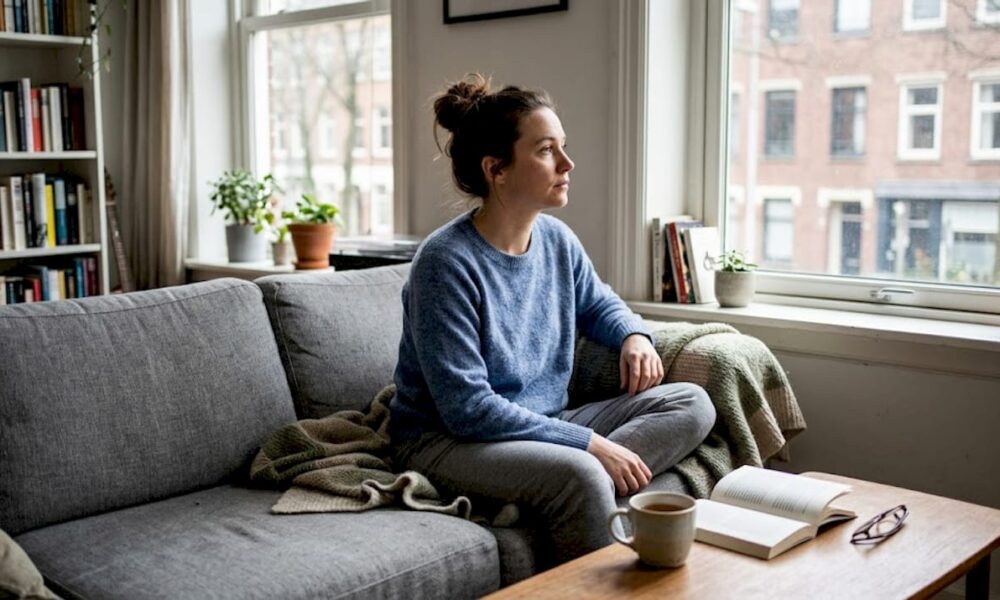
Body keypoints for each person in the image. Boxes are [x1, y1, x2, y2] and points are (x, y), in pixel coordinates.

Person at [389, 73, 716, 564]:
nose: (567, 164)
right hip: (447, 441)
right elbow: (468, 409)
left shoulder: (557, 240)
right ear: (496, 169)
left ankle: (545, 490)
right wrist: (588, 445)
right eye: (546, 151)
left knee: (693, 403)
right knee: (581, 473)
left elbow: (600, 304)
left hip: (544, 420)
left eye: (563, 147)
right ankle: (566, 493)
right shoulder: (445, 263)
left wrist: (633, 335)